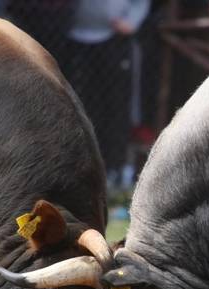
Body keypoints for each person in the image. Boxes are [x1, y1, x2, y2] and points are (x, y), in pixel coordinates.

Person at [66, 0, 151, 188]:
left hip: (114, 37)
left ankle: (115, 169)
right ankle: (83, 169)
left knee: (116, 106)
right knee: (83, 109)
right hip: (75, 36)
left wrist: (131, 21)